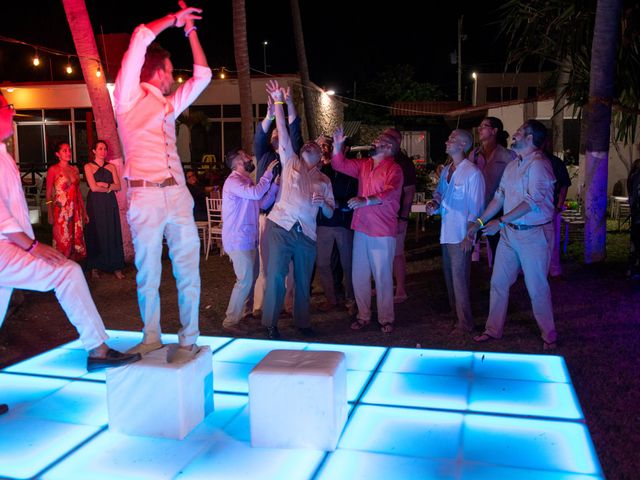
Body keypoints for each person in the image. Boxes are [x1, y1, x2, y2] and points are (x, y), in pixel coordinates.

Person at [0, 92, 141, 417]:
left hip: (12, 245)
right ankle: (98, 348)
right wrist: (33, 246)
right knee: (68, 272)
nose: (13, 111)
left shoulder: (5, 154)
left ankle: (98, 349)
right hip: (7, 248)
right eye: (8, 108)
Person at [113, 4, 211, 362]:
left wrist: (190, 32)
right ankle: (151, 336)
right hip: (145, 196)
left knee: (189, 271)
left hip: (177, 195)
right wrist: (174, 20)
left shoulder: (170, 105)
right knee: (148, 272)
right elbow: (141, 35)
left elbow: (204, 76)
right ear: (158, 70)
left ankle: (189, 339)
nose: (174, 76)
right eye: (171, 70)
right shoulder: (127, 98)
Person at [468, 120, 557, 350]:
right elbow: (499, 197)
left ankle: (549, 335)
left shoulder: (539, 165)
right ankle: (493, 329)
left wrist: (501, 221)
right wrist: (480, 222)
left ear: (530, 138)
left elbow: (532, 203)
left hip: (533, 235)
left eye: (518, 133)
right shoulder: (512, 165)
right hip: (510, 233)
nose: (513, 136)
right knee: (498, 282)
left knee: (536, 286)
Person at [261, 80, 334, 340]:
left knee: (303, 281)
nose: (309, 145)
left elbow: (330, 214)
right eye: (307, 145)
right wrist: (279, 101)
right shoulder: (290, 160)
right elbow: (282, 127)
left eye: (314, 146)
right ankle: (270, 323)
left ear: (321, 158)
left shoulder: (325, 182)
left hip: (307, 235)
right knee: (276, 276)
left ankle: (302, 323)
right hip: (281, 226)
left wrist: (323, 204)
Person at [332, 128, 404, 333]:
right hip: (362, 227)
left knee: (382, 276)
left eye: (378, 140)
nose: (373, 142)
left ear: (389, 147)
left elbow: (390, 193)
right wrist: (337, 145)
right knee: (359, 275)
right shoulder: (365, 165)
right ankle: (363, 315)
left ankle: (386, 318)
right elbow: (339, 164)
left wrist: (366, 200)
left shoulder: (394, 168)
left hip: (382, 230)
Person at [427, 129, 484, 334]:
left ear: (463, 145)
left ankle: (465, 323)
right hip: (446, 232)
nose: (447, 141)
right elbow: (440, 193)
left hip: (461, 233)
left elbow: (477, 207)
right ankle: (456, 316)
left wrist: (470, 235)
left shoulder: (472, 173)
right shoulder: (447, 170)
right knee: (450, 278)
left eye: (452, 139)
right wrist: (434, 203)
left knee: (460, 279)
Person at [252, 93, 303, 317]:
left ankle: (287, 305)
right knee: (264, 264)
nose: (276, 133)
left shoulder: (293, 157)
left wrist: (288, 104)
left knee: (289, 265)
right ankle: (260, 306)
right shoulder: (263, 155)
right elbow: (259, 136)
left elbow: (294, 130)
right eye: (274, 132)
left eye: (278, 132)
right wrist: (270, 115)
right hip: (266, 215)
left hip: (288, 217)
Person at [221, 149, 278, 335]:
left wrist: (275, 187)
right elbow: (255, 194)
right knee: (244, 280)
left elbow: (260, 203)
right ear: (238, 162)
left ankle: (241, 315)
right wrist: (268, 174)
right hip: (238, 239)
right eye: (246, 157)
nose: (250, 158)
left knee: (248, 280)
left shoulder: (245, 181)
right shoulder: (233, 182)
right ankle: (230, 321)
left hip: (248, 239)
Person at [314, 134, 358, 314]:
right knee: (323, 263)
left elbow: (355, 195)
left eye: (328, 146)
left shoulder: (350, 170)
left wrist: (339, 204)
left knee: (347, 263)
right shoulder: (322, 170)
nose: (325, 149)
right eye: (323, 146)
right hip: (323, 223)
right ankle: (331, 298)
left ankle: (351, 299)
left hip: (342, 223)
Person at [468, 117, 516, 258]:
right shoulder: (474, 155)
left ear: (494, 131)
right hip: (476, 208)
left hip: (497, 209)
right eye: (480, 125)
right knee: (467, 246)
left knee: (499, 250)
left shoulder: (508, 156)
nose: (480, 129)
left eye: (484, 126)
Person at [83, 140, 125, 280]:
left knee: (112, 230)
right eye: (100, 148)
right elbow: (93, 187)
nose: (103, 151)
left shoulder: (111, 167)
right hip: (95, 202)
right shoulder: (88, 166)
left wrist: (106, 185)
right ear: (94, 151)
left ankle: (116, 266)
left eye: (105, 149)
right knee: (95, 231)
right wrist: (108, 188)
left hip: (109, 202)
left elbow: (118, 186)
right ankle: (95, 266)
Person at [383, 128, 417, 303]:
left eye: (391, 138)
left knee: (397, 253)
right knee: (384, 253)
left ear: (398, 141)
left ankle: (401, 289)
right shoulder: (381, 161)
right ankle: (385, 285)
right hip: (381, 216)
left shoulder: (403, 163)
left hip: (396, 215)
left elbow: (409, 191)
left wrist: (403, 217)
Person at [46, 141, 87, 261]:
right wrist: (49, 212)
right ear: (57, 154)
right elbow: (48, 192)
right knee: (62, 241)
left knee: (75, 240)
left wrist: (84, 211)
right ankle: (60, 271)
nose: (68, 152)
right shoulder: (53, 170)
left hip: (75, 209)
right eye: (64, 150)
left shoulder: (74, 169)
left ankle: (72, 271)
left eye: (69, 150)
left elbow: (78, 191)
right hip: (61, 211)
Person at [542, 139, 571, 277]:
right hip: (531, 210)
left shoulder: (555, 162)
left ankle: (554, 269)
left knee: (551, 240)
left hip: (551, 207)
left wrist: (559, 206)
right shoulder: (524, 161)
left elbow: (564, 184)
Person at [627, 158, 640, 278]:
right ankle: (633, 267)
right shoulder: (635, 177)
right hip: (637, 215)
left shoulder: (634, 177)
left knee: (635, 242)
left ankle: (633, 267)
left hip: (636, 215)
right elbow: (633, 196)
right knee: (635, 242)